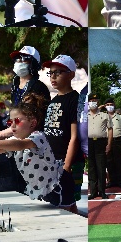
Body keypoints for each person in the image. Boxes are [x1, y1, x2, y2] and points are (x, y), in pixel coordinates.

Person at [0, 102, 75, 210]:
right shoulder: (14, 141)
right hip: (44, 189)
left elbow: (21, 145)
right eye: (10, 121)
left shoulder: (37, 137)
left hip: (59, 185)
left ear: (32, 123)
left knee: (71, 214)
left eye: (17, 120)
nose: (12, 125)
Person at [42, 55, 79, 213]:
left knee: (67, 203)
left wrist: (67, 166)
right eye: (51, 73)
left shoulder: (75, 100)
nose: (53, 76)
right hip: (51, 162)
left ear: (71, 74)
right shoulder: (53, 100)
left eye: (59, 72)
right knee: (57, 202)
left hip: (65, 163)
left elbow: (74, 136)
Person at [87, 94, 112, 200]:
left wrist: (109, 144)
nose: (93, 102)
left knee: (101, 167)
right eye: (91, 100)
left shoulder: (104, 115)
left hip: (100, 142)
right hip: (88, 143)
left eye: (95, 100)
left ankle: (102, 191)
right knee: (91, 167)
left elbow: (110, 129)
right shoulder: (85, 115)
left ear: (98, 102)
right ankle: (93, 191)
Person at [105, 97, 121, 189]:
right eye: (107, 105)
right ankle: (111, 181)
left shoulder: (120, 117)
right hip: (106, 141)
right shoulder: (103, 116)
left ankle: (120, 181)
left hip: (117, 140)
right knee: (109, 162)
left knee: (119, 161)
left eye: (111, 105)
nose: (110, 107)